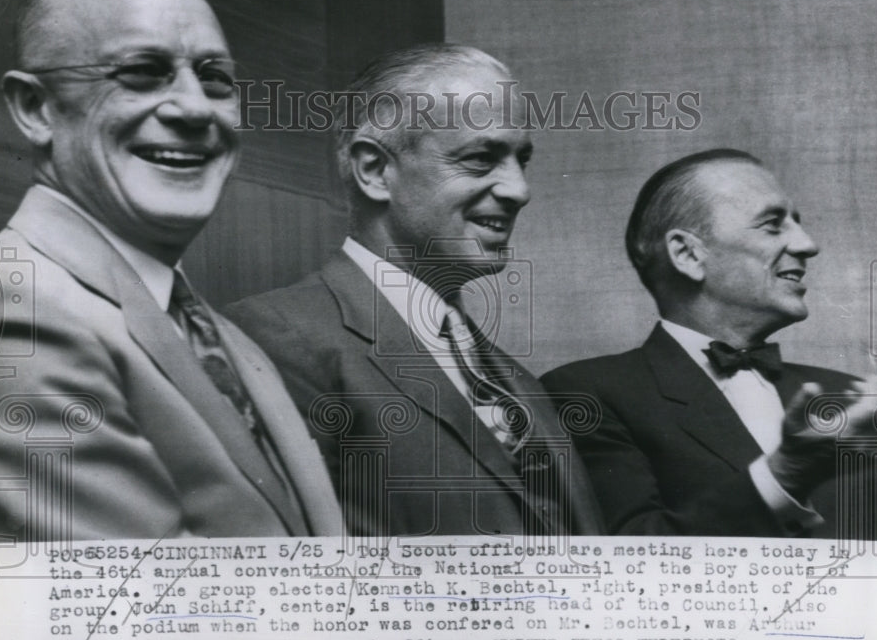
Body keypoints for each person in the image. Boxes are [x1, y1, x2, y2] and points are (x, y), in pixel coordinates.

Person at [0, 0, 342, 541]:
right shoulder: (8, 311)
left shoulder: (223, 337)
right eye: (143, 73)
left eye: (215, 79)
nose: (195, 109)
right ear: (36, 107)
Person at [225, 44, 603, 537]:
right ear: (375, 171)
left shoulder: (517, 378)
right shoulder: (272, 341)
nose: (519, 189)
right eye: (480, 158)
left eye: (521, 159)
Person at [541, 149, 877, 539]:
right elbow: (626, 561)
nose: (808, 244)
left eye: (798, 224)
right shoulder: (586, 393)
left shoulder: (852, 400)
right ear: (687, 254)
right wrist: (786, 473)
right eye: (773, 225)